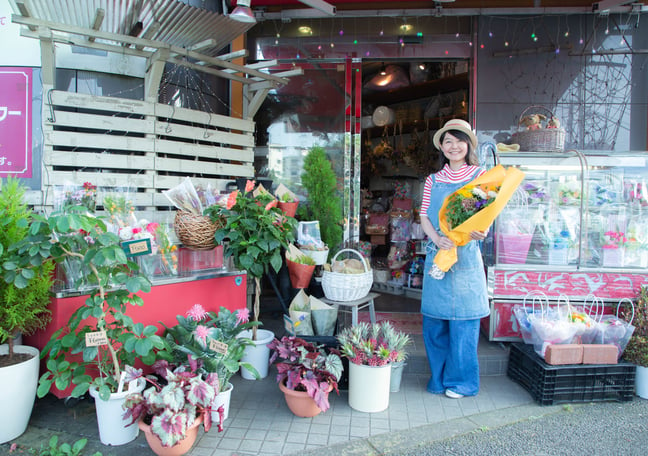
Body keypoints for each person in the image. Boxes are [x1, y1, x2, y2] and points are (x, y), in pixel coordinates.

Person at [419, 118, 490, 399]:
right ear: (442, 147)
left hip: (466, 257)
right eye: (448, 141)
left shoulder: (480, 176)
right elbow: (424, 215)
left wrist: (480, 231)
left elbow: (484, 216)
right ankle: (438, 378)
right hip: (439, 254)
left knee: (464, 323)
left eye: (459, 140)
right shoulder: (433, 180)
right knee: (435, 322)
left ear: (468, 144)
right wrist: (436, 239)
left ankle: (462, 383)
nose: (454, 146)